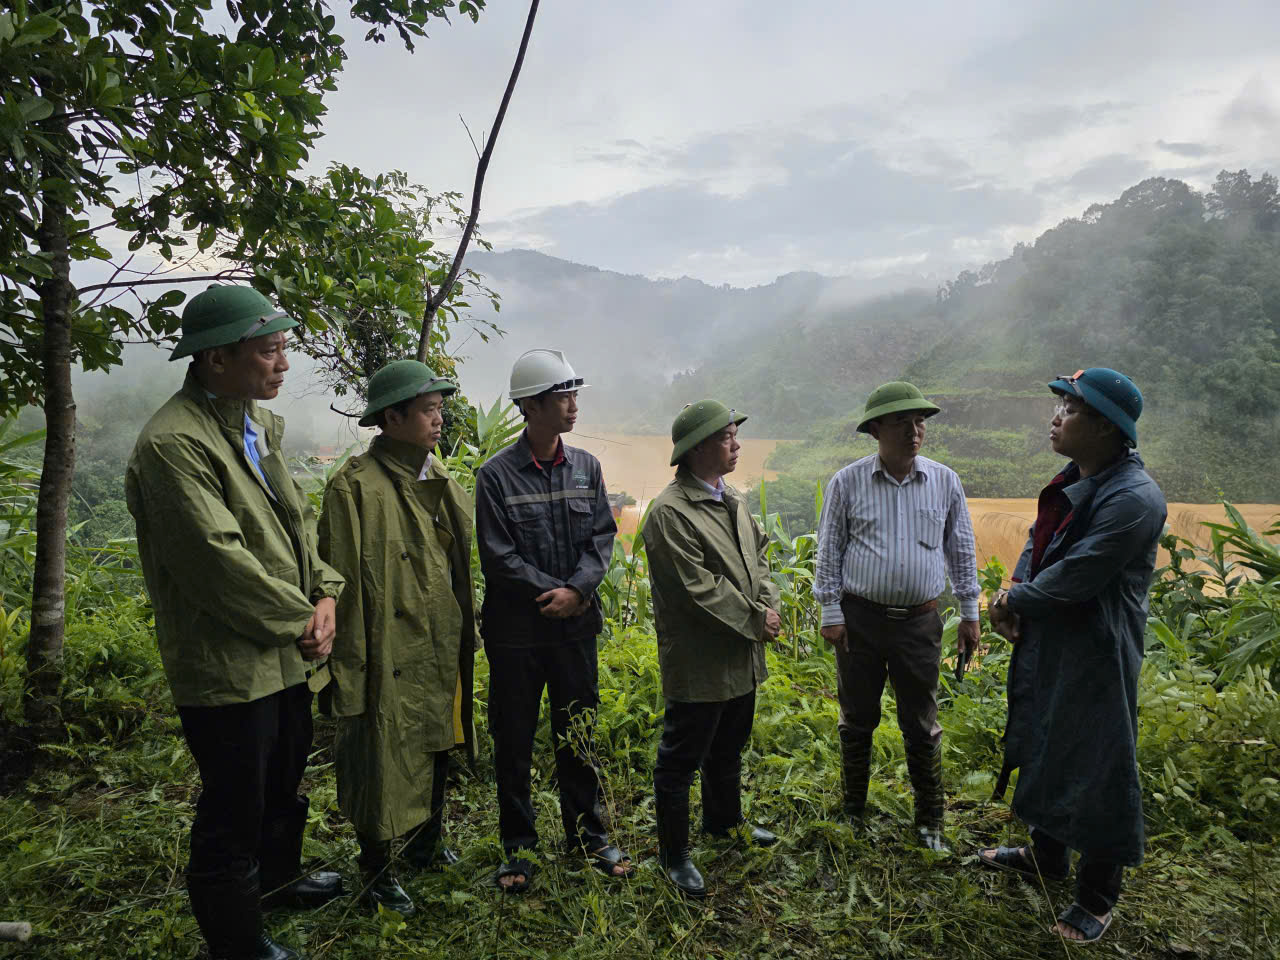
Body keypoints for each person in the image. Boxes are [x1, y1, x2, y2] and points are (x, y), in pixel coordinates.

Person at [126, 285, 345, 960]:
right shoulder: (172, 446)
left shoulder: (254, 425)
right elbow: (216, 560)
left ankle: (279, 883)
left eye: (284, 349)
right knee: (234, 803)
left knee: (282, 777)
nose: (283, 364)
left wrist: (326, 592)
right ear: (216, 359)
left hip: (285, 648)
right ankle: (236, 940)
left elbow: (295, 523)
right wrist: (301, 617)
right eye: (269, 351)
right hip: (227, 661)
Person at [980, 368, 1166, 944]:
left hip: (1098, 651)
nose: (1055, 416)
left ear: (1109, 429)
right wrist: (1015, 591)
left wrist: (1012, 600)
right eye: (1059, 404)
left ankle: (1097, 896)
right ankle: (1047, 857)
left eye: (1071, 408)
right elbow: (1037, 547)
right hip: (1053, 642)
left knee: (1100, 760)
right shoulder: (1073, 480)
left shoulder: (1134, 499)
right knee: (1046, 740)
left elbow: (1076, 577)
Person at [317, 360, 478, 917]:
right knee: (380, 750)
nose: (440, 419)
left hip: (437, 637)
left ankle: (427, 843)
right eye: (429, 410)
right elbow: (338, 577)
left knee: (436, 735)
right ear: (393, 417)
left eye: (439, 408)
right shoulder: (354, 486)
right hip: (384, 647)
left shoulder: (437, 474)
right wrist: (350, 660)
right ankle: (377, 870)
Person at [474, 349, 631, 893]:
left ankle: (587, 836)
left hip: (575, 630)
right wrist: (556, 593)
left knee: (578, 734)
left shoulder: (587, 467)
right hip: (517, 635)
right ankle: (518, 847)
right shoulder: (494, 476)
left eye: (573, 396)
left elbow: (602, 538)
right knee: (513, 739)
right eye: (562, 397)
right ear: (531, 406)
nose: (572, 406)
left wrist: (579, 591)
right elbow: (499, 557)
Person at [813, 381, 981, 853]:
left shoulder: (945, 481)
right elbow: (829, 551)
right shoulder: (846, 483)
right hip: (860, 620)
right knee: (857, 717)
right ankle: (853, 811)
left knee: (921, 721)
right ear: (875, 430)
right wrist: (831, 611)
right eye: (901, 422)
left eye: (920, 421)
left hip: (919, 623)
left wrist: (970, 611)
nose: (915, 431)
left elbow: (961, 549)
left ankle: (930, 820)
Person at [641, 400, 782, 898]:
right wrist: (754, 617)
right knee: (681, 757)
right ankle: (674, 855)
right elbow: (697, 589)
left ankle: (724, 823)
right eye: (727, 437)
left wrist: (766, 602)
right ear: (698, 447)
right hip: (700, 660)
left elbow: (759, 555)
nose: (736, 444)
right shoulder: (670, 514)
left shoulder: (731, 498)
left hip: (740, 656)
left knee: (728, 746)